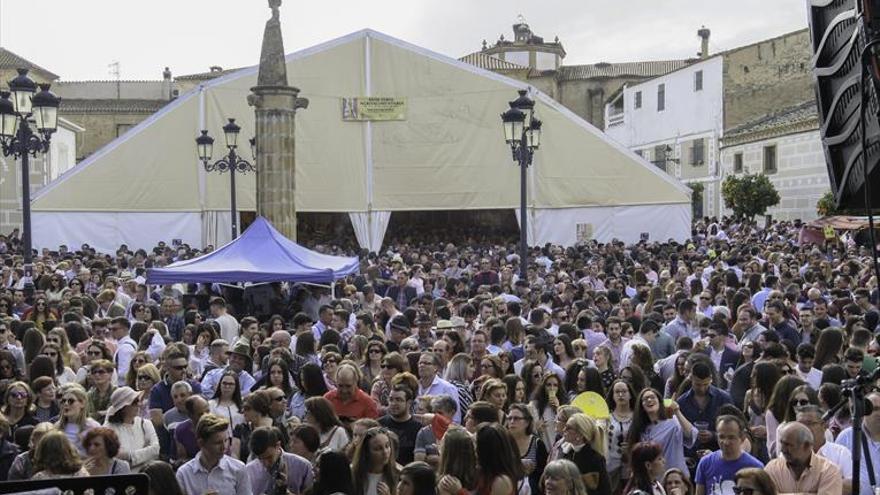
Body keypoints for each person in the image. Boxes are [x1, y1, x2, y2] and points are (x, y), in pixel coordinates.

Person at [175, 413, 253, 495]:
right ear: (201, 443)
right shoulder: (184, 474)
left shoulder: (238, 469)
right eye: (218, 443)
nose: (224, 447)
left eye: (226, 440)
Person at [628, 388, 695, 478]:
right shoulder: (640, 429)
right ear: (641, 406)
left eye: (652, 397)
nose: (649, 400)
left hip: (676, 477)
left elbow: (690, 434)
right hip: (654, 480)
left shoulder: (673, 422)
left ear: (660, 402)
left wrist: (677, 411)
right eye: (645, 399)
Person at [765, 422, 841, 495]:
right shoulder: (772, 468)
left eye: (788, 445)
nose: (782, 449)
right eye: (782, 443)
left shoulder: (828, 471)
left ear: (806, 446)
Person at [693, 415, 763, 495]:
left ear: (742, 437)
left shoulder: (755, 467)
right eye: (721, 437)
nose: (726, 442)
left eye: (731, 437)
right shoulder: (705, 463)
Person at [794, 404, 852, 494]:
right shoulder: (789, 453)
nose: (804, 428)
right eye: (800, 424)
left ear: (825, 425)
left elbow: (853, 485)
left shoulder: (841, 453)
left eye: (810, 423)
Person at [104, 386, 160, 471]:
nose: (139, 404)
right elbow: (114, 458)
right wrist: (146, 453)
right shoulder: (108, 429)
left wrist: (129, 457)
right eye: (134, 402)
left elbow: (156, 449)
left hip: (145, 475)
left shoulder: (146, 424)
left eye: (139, 400)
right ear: (123, 408)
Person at [835, 390, 880, 495]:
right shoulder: (847, 437)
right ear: (864, 411)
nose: (879, 413)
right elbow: (834, 474)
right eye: (876, 409)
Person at [246, 426, 313, 495]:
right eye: (260, 459)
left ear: (278, 445)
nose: (266, 464)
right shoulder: (249, 470)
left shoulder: (302, 466)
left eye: (269, 457)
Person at [559, 413, 610, 495]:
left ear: (580, 434)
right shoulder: (566, 452)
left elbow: (605, 490)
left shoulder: (594, 458)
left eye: (568, 428)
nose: (564, 429)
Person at [506, 402, 548, 494]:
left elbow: (544, 473)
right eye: (509, 418)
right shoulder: (503, 443)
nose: (512, 421)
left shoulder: (537, 443)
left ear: (527, 422)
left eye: (516, 418)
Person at [474, 423, 524, 495]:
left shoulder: (501, 481)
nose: (474, 449)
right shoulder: (482, 471)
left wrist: (460, 491)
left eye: (476, 444)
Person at [379, 384, 422, 465]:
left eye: (398, 400)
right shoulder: (379, 424)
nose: (393, 403)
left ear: (409, 403)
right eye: (391, 399)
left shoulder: (418, 428)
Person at [351, 426, 398, 495]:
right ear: (366, 452)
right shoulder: (352, 473)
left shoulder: (398, 474)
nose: (385, 452)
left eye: (387, 446)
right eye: (378, 449)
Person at [56, 383, 101, 454]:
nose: (66, 404)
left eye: (71, 401)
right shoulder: (57, 426)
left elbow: (99, 453)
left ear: (82, 404)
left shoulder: (93, 426)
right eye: (63, 401)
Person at [416, 352, 461, 423]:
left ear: (435, 368)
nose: (422, 365)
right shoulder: (414, 386)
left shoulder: (447, 388)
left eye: (426, 363)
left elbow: (456, 418)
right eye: (420, 363)